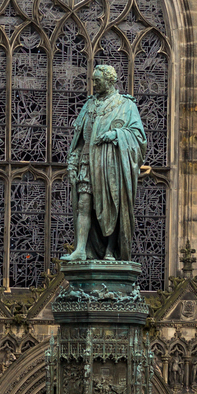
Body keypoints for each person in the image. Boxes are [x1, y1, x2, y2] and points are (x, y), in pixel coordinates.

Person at [60, 65, 147, 262]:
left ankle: (110, 251)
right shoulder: (89, 104)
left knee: (113, 206)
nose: (94, 83)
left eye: (97, 80)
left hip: (111, 164)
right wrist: (72, 163)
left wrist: (116, 134)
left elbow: (139, 138)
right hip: (87, 161)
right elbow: (79, 138)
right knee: (84, 204)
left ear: (109, 81)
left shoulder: (125, 105)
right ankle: (81, 249)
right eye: (93, 80)